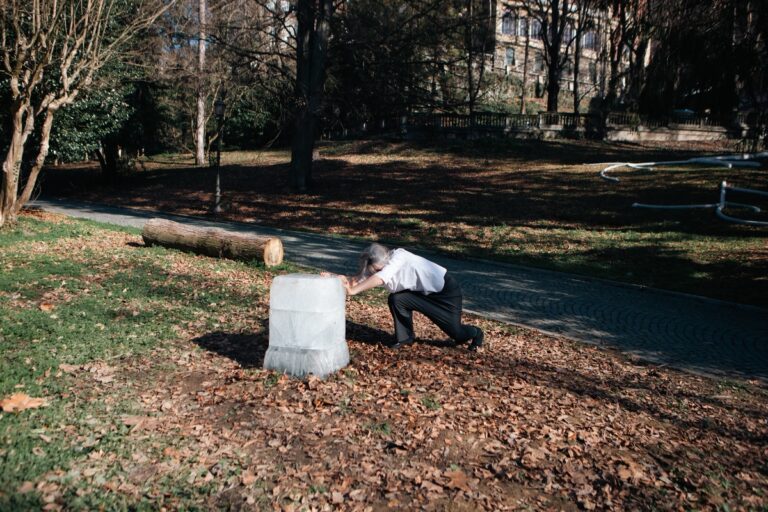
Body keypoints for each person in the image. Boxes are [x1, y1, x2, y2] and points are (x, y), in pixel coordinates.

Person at [330, 243, 484, 350]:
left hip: (445, 292)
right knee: (397, 299)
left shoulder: (399, 257)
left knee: (457, 333)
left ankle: (477, 333)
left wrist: (354, 291)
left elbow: (380, 278)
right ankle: (404, 338)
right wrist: (334, 277)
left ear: (385, 260)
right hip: (422, 293)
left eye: (377, 270)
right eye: (372, 271)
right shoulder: (377, 266)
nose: (374, 273)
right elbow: (356, 280)